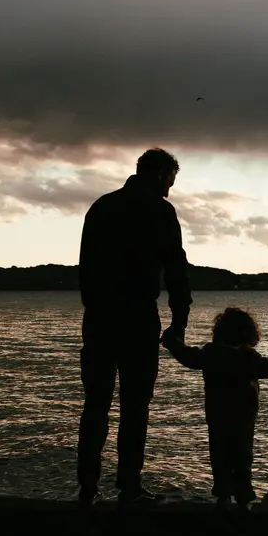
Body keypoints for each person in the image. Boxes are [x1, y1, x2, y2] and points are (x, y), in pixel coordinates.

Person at [76, 148, 192, 508]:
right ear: (159, 175)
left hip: (98, 317)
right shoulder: (159, 210)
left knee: (95, 404)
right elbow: (175, 267)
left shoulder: (101, 207)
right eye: (170, 181)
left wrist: (94, 308)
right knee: (135, 406)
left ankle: (87, 489)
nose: (171, 189)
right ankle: (128, 486)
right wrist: (179, 320)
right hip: (139, 317)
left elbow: (85, 267)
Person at [165, 306, 268, 509]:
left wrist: (172, 343)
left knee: (220, 456)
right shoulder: (248, 356)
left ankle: (223, 497)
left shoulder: (211, 353)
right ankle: (243, 499)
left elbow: (187, 356)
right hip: (244, 416)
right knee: (243, 456)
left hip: (217, 414)